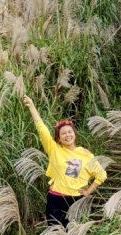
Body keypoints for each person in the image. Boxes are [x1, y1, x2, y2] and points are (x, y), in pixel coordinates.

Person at [22, 95, 106, 227]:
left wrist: (88, 191)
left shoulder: (85, 154)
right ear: (59, 138)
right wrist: (31, 106)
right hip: (56, 198)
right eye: (63, 133)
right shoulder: (54, 149)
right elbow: (41, 129)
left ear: (75, 134)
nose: (67, 135)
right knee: (55, 234)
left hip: (76, 200)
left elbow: (101, 175)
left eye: (70, 132)